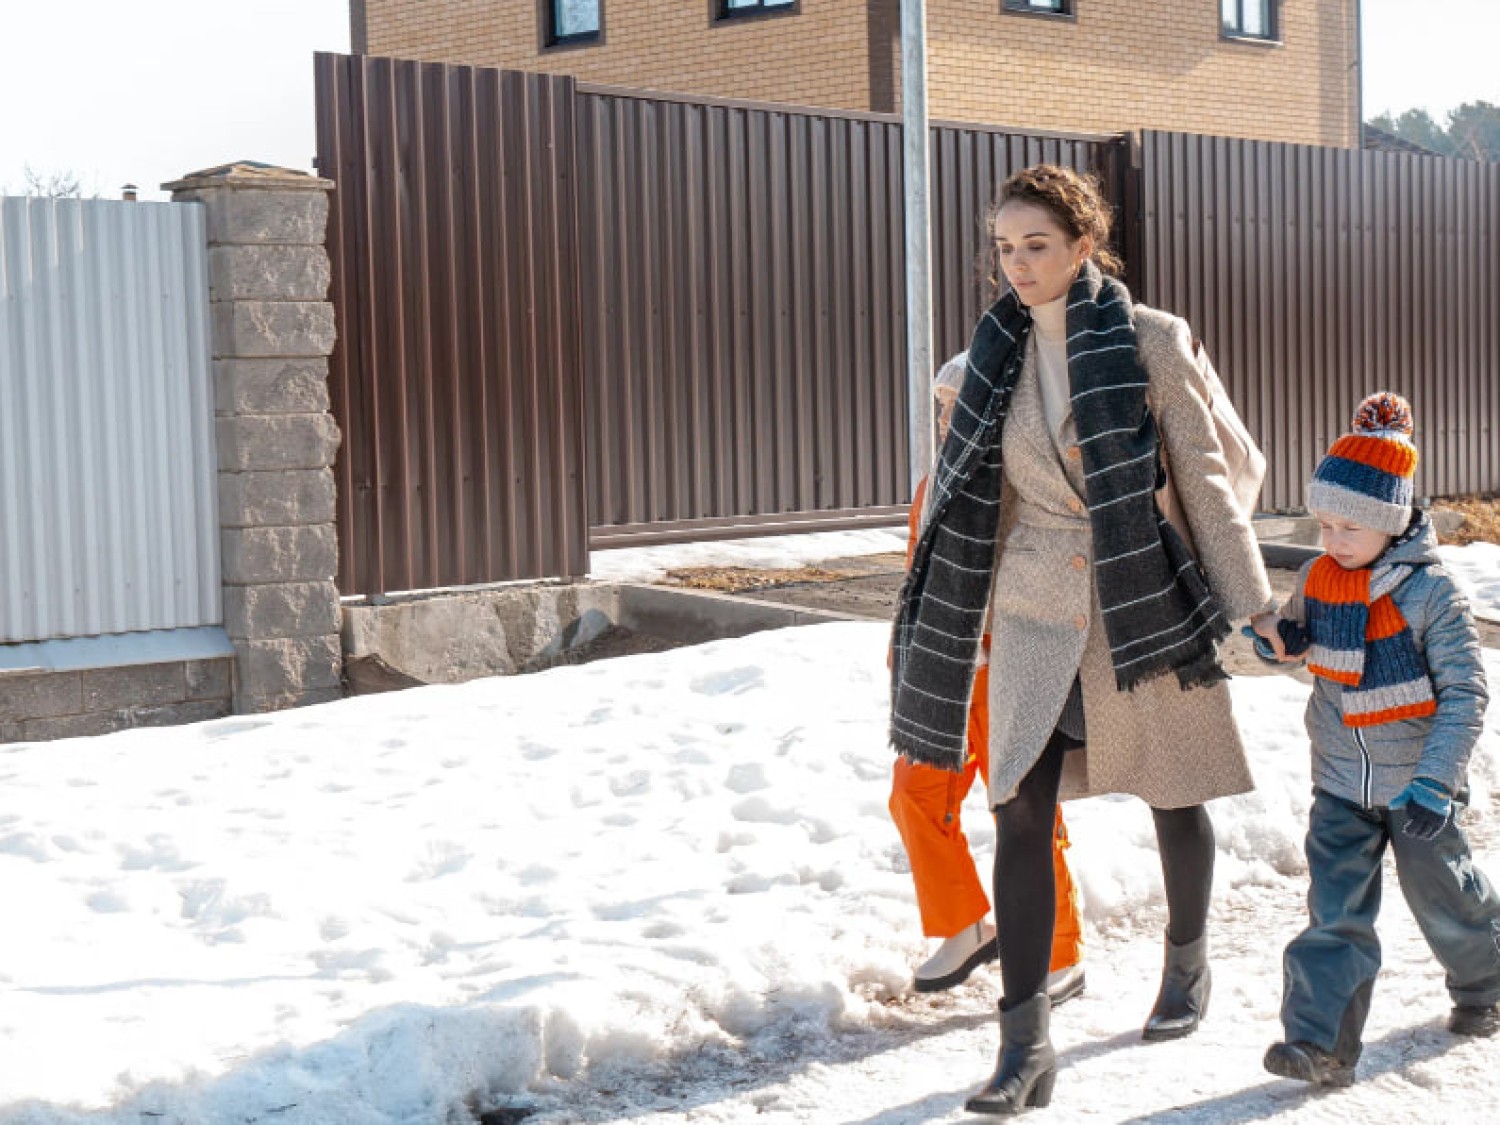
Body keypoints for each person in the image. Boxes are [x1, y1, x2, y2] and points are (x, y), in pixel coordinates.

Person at [890, 164, 1277, 1115]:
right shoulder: (987, 360)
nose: (1018, 266)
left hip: (1139, 593)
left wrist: (1253, 604)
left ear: (1083, 246)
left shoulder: (1151, 341)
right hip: (1033, 609)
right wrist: (937, 614)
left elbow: (1205, 478)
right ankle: (1024, 1046)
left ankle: (1186, 965)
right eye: (1004, 248)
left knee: (1173, 788)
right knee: (1019, 808)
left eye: (1037, 246)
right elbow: (970, 501)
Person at [1255, 392, 1499, 1088]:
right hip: (1339, 780)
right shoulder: (1318, 578)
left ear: (1391, 520)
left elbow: (1465, 695)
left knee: (1447, 898)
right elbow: (1301, 646)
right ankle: (1321, 1042)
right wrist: (1279, 641)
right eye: (1325, 522)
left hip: (1417, 785)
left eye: (1350, 525)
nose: (1333, 539)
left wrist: (1435, 783)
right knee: (1333, 913)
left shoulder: (1432, 595)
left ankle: (1486, 982)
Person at [890, 357, 1085, 1003]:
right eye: (943, 407)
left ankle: (1060, 952)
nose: (949, 419)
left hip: (1011, 670)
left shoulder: (1028, 485)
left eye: (961, 405)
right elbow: (917, 581)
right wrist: (905, 652)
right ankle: (964, 924)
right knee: (915, 793)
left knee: (1025, 813)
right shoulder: (932, 487)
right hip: (943, 675)